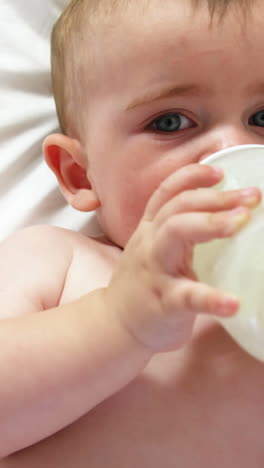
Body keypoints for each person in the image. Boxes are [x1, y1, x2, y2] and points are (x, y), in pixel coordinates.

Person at [2, 0, 264, 466]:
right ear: (81, 175)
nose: (234, 149)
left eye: (262, 119)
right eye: (170, 122)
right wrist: (119, 321)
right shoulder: (62, 263)